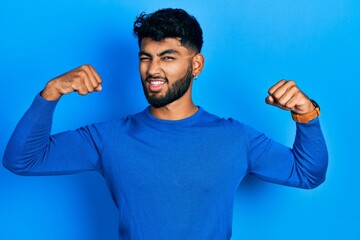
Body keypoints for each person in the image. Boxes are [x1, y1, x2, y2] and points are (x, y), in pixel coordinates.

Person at [2, 8, 328, 240]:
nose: (153, 70)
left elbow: (307, 173)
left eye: (167, 57)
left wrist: (306, 114)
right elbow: (22, 160)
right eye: (146, 57)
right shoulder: (108, 138)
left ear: (196, 64)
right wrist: (51, 93)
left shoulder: (234, 137)